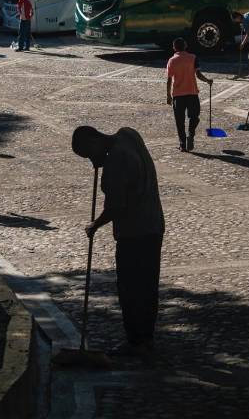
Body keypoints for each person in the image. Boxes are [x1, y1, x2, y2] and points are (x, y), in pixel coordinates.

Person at [72, 125, 165, 356]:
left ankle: (136, 340)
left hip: (134, 232)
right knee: (147, 284)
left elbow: (116, 206)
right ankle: (147, 338)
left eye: (89, 154)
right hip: (153, 224)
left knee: (130, 288)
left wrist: (95, 225)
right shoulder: (128, 134)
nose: (92, 161)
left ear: (95, 141)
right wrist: (102, 162)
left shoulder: (115, 162)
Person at [165, 38, 214, 152]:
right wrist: (207, 81)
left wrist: (168, 95)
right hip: (192, 93)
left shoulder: (172, 61)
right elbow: (198, 74)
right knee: (194, 117)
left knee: (179, 121)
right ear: (185, 46)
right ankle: (191, 135)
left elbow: (169, 79)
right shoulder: (193, 58)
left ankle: (182, 144)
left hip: (178, 95)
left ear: (174, 47)